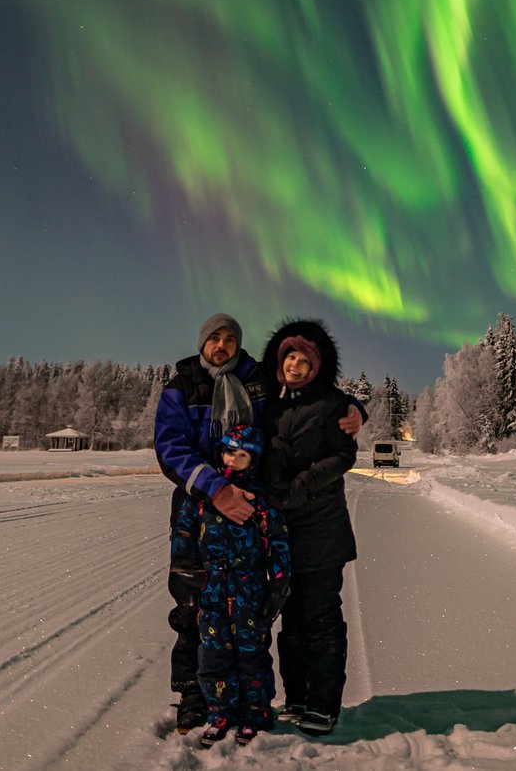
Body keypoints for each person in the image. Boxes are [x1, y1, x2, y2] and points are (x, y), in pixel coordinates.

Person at [154, 313, 363, 734]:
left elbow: (310, 393)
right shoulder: (183, 386)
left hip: (251, 509)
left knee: (247, 609)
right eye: (214, 337)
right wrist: (216, 489)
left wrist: (356, 409)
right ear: (202, 342)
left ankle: (250, 700)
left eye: (230, 338)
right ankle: (194, 698)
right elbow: (170, 447)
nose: (222, 345)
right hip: (198, 508)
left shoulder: (256, 378)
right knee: (194, 606)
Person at [260, 319, 358, 737]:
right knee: (290, 619)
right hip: (282, 529)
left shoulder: (335, 405)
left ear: (317, 367)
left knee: (320, 618)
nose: (296, 365)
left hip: (322, 526)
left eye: (304, 359)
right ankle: (296, 696)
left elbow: (344, 455)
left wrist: (303, 484)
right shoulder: (271, 404)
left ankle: (323, 704)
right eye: (290, 357)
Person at [176, 424, 290, 747]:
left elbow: (278, 541)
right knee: (213, 654)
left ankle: (255, 714)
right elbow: (184, 536)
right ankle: (219, 712)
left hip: (249, 588)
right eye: (229, 452)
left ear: (253, 459)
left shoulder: (260, 498)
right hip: (212, 588)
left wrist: (279, 583)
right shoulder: (205, 496)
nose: (234, 459)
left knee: (252, 654)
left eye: (242, 455)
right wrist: (187, 576)